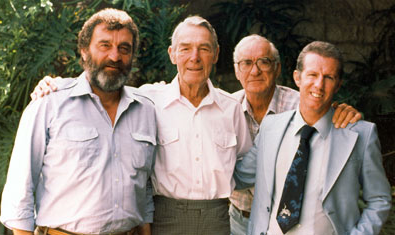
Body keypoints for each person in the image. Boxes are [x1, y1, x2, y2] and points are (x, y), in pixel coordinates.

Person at [29, 16, 252, 235]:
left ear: (215, 55)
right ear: (172, 54)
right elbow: (101, 86)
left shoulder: (231, 108)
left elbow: (243, 163)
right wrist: (57, 84)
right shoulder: (148, 101)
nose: (195, 57)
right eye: (185, 48)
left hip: (217, 220)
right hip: (166, 217)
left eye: (204, 48)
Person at [0, 8, 156, 235]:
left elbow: (145, 191)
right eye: (105, 45)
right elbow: (19, 190)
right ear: (84, 51)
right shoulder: (49, 104)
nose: (115, 56)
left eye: (124, 48)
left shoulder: (146, 111)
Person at [234, 41, 392, 235]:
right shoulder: (270, 127)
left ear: (338, 84)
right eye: (312, 75)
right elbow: (238, 177)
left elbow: (379, 199)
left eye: (329, 77)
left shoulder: (360, 135)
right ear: (297, 78)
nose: (319, 84)